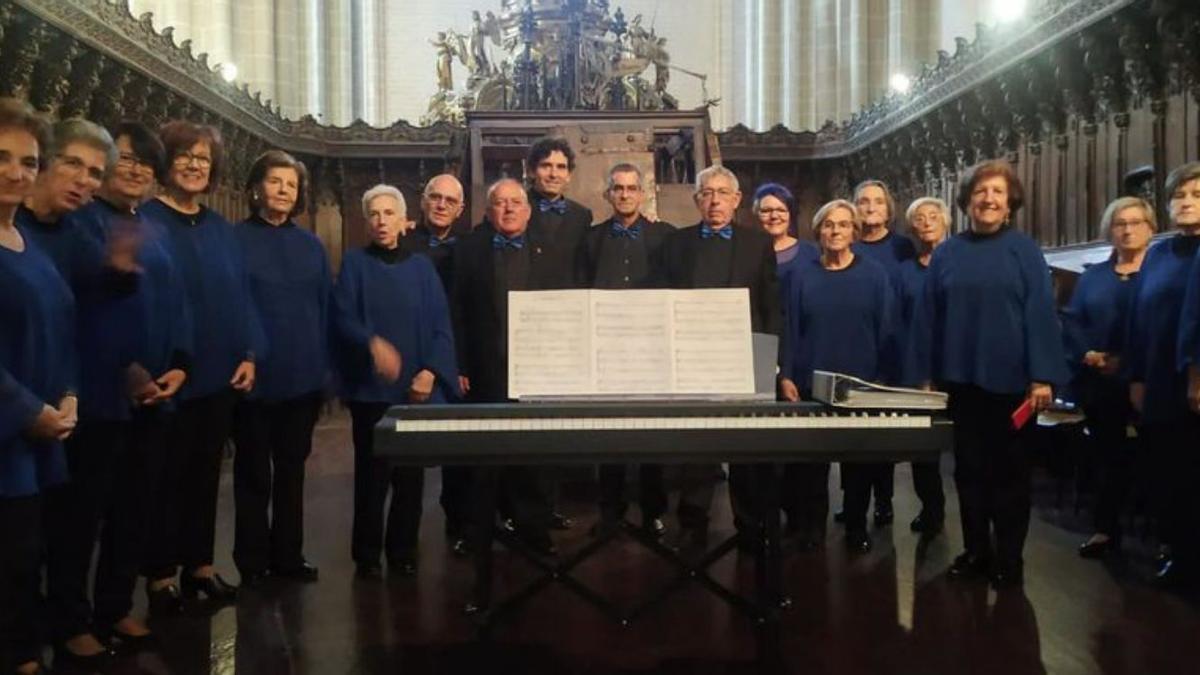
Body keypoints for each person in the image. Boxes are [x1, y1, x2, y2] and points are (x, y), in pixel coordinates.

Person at [43, 121, 186, 665]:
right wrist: (128, 367)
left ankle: (113, 606)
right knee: (81, 515)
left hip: (153, 392)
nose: (135, 170)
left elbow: (173, 301)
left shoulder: (149, 224)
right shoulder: (79, 223)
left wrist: (179, 365)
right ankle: (70, 619)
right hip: (100, 391)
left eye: (145, 162)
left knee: (134, 507)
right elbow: (90, 307)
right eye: (123, 159)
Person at [906, 159, 1068, 589]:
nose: (988, 199)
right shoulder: (949, 252)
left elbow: (1041, 314)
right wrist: (924, 373)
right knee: (969, 472)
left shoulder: (1025, 251)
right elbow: (928, 317)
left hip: (1014, 383)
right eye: (980, 192)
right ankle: (976, 550)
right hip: (961, 380)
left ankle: (1009, 559)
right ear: (967, 202)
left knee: (1011, 477)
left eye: (997, 192)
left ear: (1009, 202)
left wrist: (1043, 376)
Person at [140, 121, 259, 608]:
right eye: (185, 156)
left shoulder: (219, 228)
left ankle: (200, 567)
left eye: (203, 159)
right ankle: (160, 575)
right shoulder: (144, 220)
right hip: (164, 373)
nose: (194, 165)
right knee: (163, 478)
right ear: (165, 162)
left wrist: (250, 353)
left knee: (206, 475)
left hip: (218, 373)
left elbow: (240, 296)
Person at [335, 184, 458, 579]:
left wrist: (431, 371)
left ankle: (403, 550)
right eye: (374, 214)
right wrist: (370, 343)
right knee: (371, 479)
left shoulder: (422, 268)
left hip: (415, 391)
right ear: (367, 221)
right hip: (371, 391)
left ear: (404, 220)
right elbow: (341, 318)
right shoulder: (354, 263)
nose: (381, 221)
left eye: (389, 213)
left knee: (410, 479)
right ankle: (367, 557)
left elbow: (442, 326)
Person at [452, 178, 575, 556]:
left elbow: (562, 312)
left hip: (535, 369)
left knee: (532, 455)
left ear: (528, 209)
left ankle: (533, 530)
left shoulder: (550, 252)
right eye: (499, 203)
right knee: (483, 456)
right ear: (489, 211)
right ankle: (477, 533)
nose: (508, 209)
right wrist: (459, 365)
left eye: (515, 202)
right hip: (484, 367)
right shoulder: (469, 249)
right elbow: (456, 311)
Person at [661, 165, 781, 551]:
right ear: (697, 200)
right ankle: (693, 522)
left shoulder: (758, 244)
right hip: (693, 358)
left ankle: (751, 524)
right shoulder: (676, 244)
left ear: (736, 200)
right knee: (696, 444)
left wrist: (770, 361)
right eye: (707, 193)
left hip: (748, 356)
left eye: (722, 193)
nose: (714, 201)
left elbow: (770, 305)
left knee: (749, 444)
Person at [231, 150, 330, 587]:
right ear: (257, 188)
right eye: (276, 182)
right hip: (254, 376)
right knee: (254, 473)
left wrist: (326, 371)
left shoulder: (310, 244)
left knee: (292, 472)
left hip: (303, 376)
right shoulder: (235, 240)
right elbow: (230, 305)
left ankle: (288, 555)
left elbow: (324, 308)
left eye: (291, 185)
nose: (284, 190)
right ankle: (252, 563)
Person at [0, 97, 74, 675]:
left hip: (40, 431)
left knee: (28, 560)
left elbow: (59, 322)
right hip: (9, 434)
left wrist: (69, 393)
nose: (16, 172)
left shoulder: (28, 240)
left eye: (26, 161)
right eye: (1, 157)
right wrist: (29, 410)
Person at [778, 199, 894, 554]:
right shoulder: (801, 274)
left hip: (861, 380)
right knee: (811, 462)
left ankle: (856, 525)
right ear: (818, 232)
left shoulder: (875, 274)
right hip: (812, 379)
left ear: (854, 232)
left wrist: (884, 380)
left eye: (843, 225)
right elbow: (791, 328)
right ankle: (811, 526)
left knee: (857, 460)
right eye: (828, 225)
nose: (835, 231)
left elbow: (887, 329)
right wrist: (787, 374)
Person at [581, 163, 674, 537]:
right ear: (608, 194)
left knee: (651, 432)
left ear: (643, 193)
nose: (624, 194)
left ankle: (653, 511)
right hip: (607, 348)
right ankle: (610, 512)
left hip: (651, 347)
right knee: (610, 431)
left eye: (631, 188)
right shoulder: (590, 240)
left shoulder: (665, 237)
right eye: (617, 188)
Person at [1067, 197, 1153, 559]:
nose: (1127, 229)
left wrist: (1130, 362)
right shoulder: (1093, 276)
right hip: (1102, 383)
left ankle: (1167, 538)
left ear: (1150, 228)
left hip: (1152, 381)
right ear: (1110, 230)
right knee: (1107, 459)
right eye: (1120, 223)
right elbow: (1073, 320)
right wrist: (1087, 351)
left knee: (1161, 459)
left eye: (1135, 222)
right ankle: (1106, 529)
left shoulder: (1159, 273)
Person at [1131, 162, 1200, 586]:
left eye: (1196, 195)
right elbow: (1139, 318)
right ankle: (1178, 552)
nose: (1186, 202)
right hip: (1160, 381)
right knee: (1169, 475)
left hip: (1195, 381)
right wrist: (1136, 377)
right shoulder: (1158, 252)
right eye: (1179, 196)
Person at [402, 174, 471, 554]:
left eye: (450, 200)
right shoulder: (402, 242)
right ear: (423, 201)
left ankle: (458, 526)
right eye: (435, 197)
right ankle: (405, 542)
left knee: (458, 453)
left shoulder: (470, 247)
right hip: (414, 361)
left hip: (454, 360)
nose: (442, 204)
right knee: (411, 459)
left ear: (460, 209)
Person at [845, 179, 914, 527]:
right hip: (855, 343)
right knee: (849, 431)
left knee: (880, 430)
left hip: (891, 344)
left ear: (889, 209)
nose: (870, 208)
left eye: (877, 202)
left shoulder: (903, 247)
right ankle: (851, 499)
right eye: (863, 201)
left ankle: (884, 499)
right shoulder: (846, 242)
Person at [893, 197, 951, 537]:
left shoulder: (960, 263)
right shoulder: (905, 271)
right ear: (912, 227)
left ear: (945, 221)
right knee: (923, 446)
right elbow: (899, 323)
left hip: (957, 364)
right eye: (919, 218)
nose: (927, 222)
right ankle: (933, 507)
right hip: (919, 367)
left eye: (933, 216)